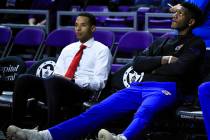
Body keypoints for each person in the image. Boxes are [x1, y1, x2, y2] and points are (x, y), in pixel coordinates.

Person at [7, 2, 206, 140]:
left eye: (180, 14)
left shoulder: (195, 43)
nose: (174, 15)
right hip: (139, 86)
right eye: (174, 12)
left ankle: (122, 138)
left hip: (166, 89)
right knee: (96, 111)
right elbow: (137, 63)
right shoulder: (163, 40)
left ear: (191, 22)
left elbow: (180, 68)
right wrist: (163, 59)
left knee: (146, 110)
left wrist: (154, 64)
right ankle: (45, 135)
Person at [10, 12, 112, 128]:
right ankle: (15, 126)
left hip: (81, 92)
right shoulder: (68, 48)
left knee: (53, 81)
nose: (78, 29)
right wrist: (61, 80)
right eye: (76, 25)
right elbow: (57, 74)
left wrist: (73, 80)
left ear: (92, 28)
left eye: (83, 25)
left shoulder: (102, 50)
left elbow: (100, 83)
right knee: (24, 79)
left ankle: (51, 130)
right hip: (56, 88)